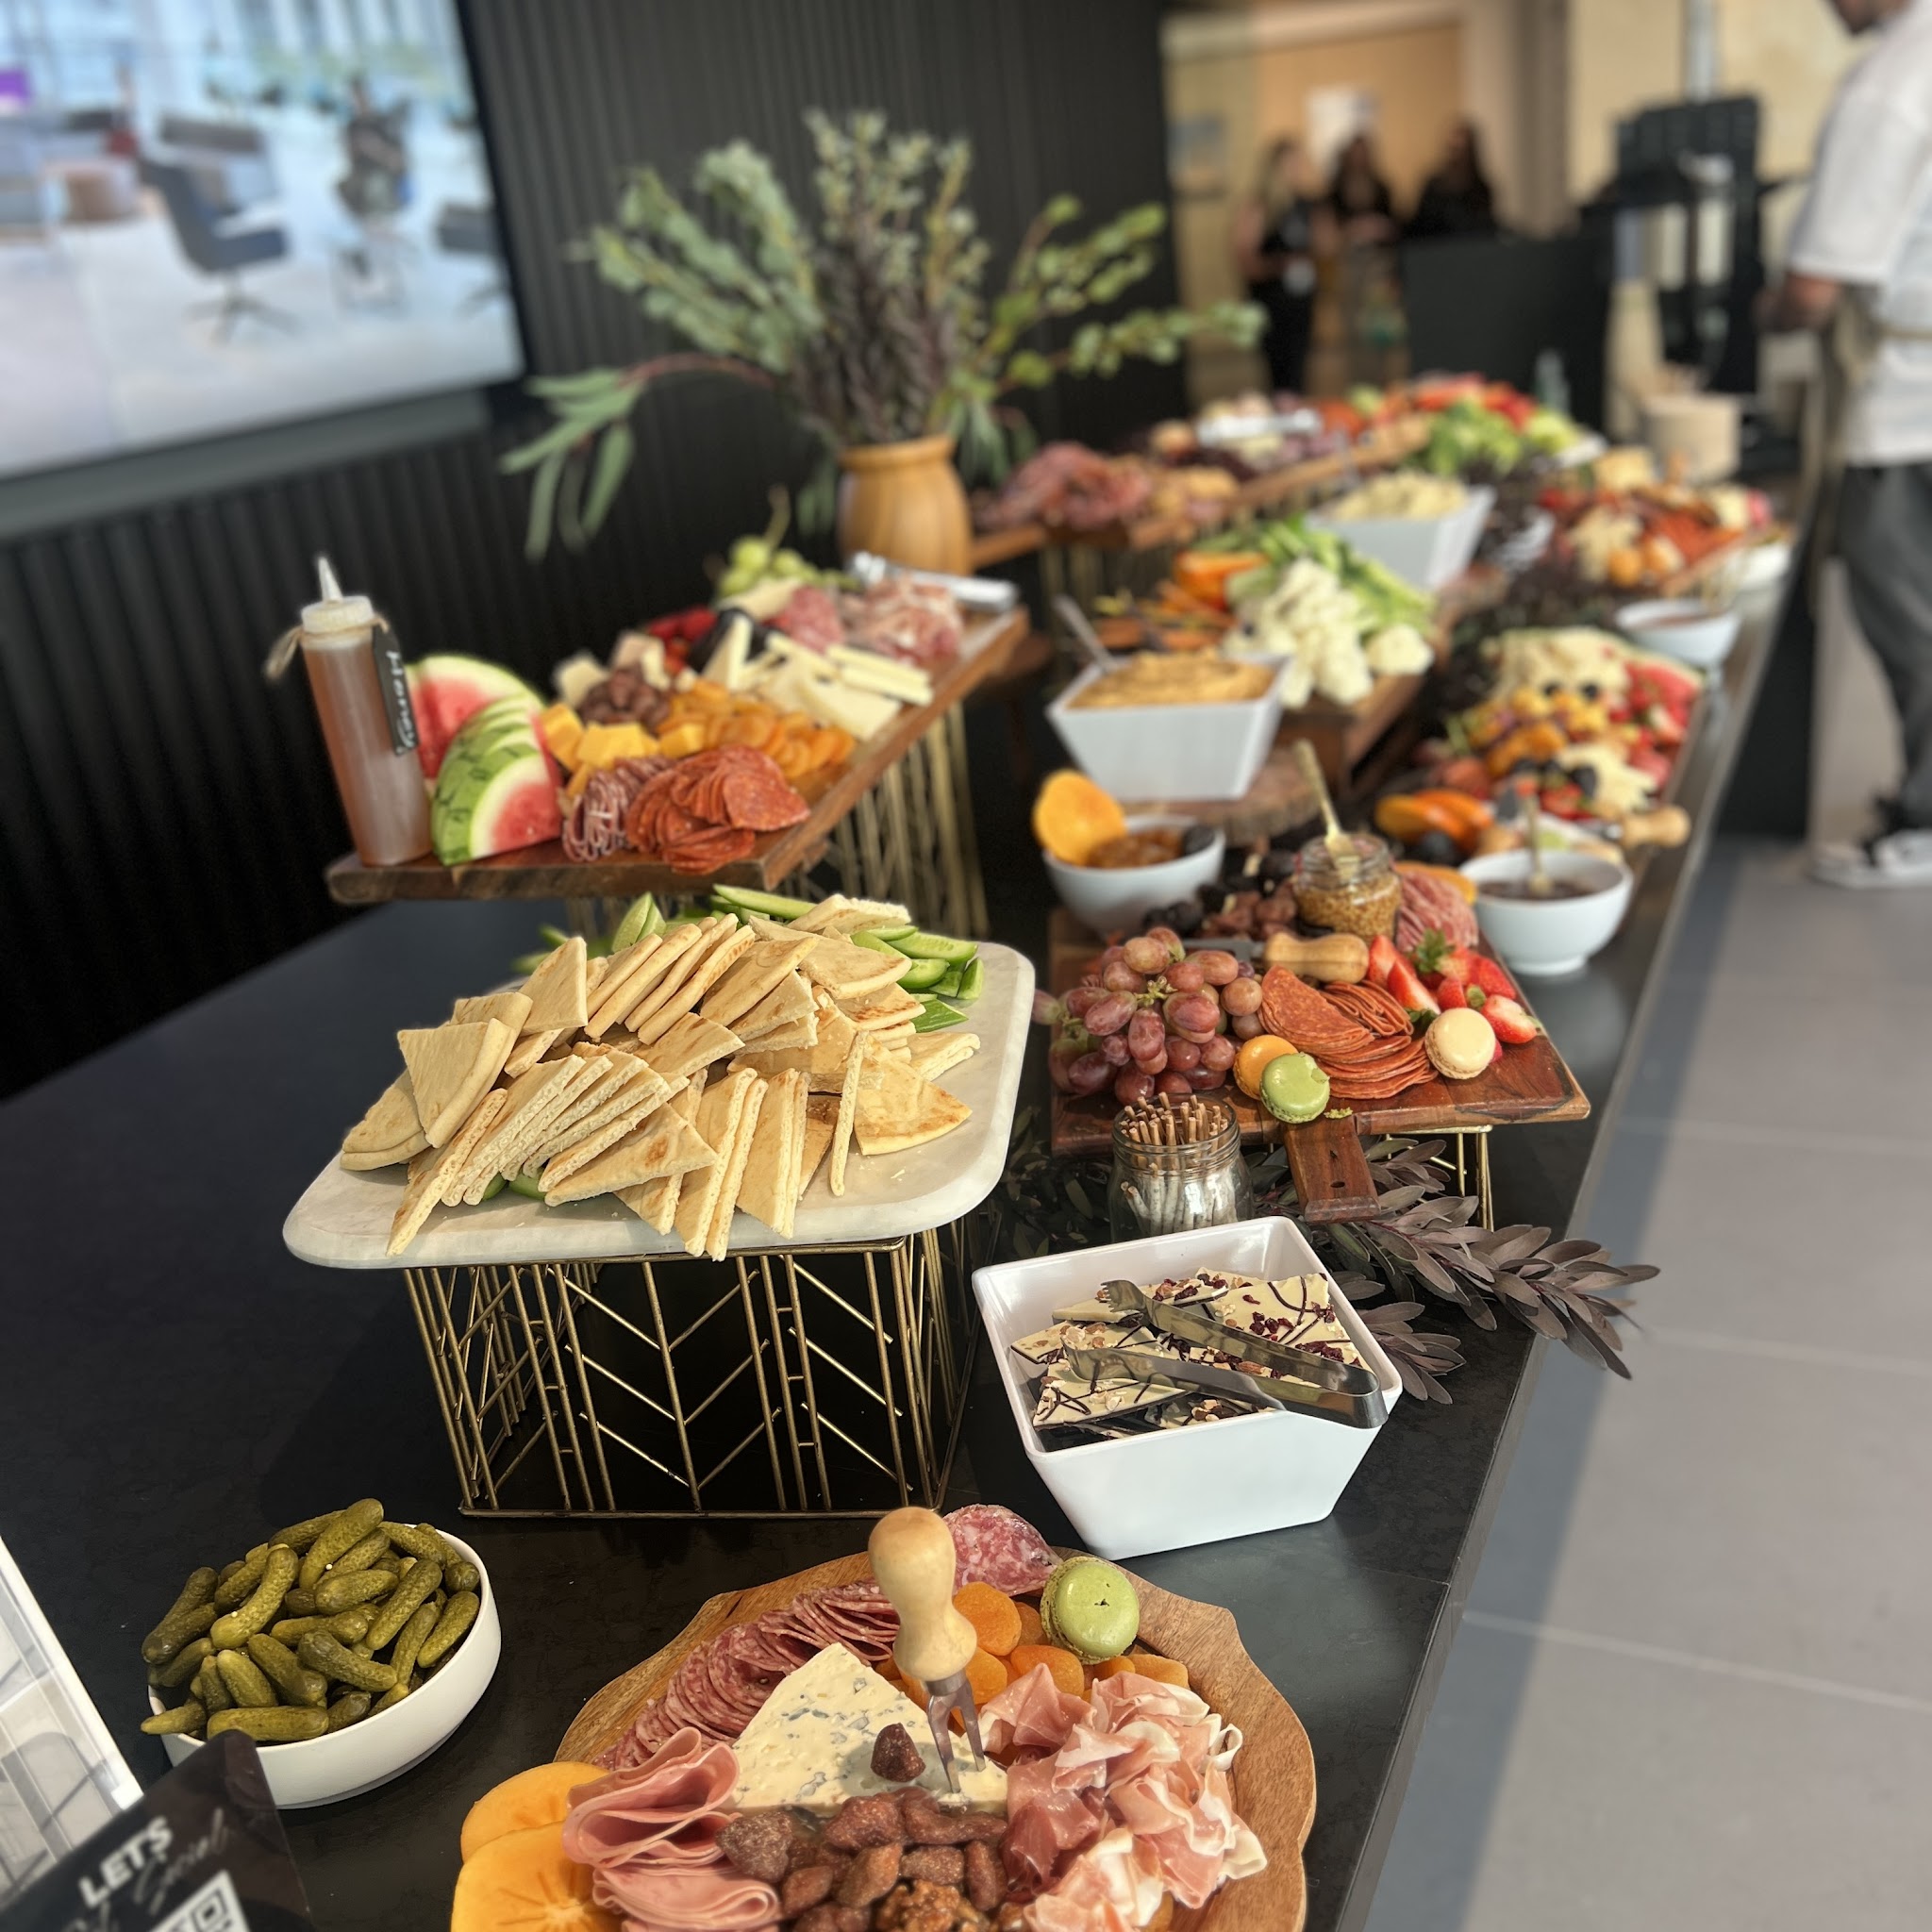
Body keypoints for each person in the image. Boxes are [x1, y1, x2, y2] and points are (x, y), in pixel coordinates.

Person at [1765, 0, 1932, 886]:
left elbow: (1815, 287)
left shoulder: (1892, 84)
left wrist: (1765, 312)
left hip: (1908, 403)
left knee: (1909, 613)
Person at [1233, 137, 1322, 396]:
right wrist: (1281, 266)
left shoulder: (1306, 204)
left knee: (1299, 368)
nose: (1296, 170)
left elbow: (1324, 245)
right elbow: (1245, 258)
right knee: (1279, 370)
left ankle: (1295, 411)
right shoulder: (1258, 207)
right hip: (1271, 300)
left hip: (1301, 300)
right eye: (1290, 164)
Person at [1326, 133, 1403, 385]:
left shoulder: (1382, 188)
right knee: (1353, 329)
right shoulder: (1336, 189)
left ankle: (1381, 382)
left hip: (1378, 264)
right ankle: (1358, 383)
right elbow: (1329, 230)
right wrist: (1352, 231)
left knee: (1379, 328)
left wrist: (1378, 229)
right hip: (1350, 264)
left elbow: (1397, 224)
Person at [1407, 120, 1499, 242]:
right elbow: (1420, 227)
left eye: (1463, 150)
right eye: (1454, 149)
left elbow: (1485, 228)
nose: (1457, 157)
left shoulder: (1480, 189)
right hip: (1438, 248)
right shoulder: (1434, 186)